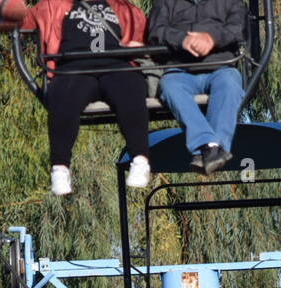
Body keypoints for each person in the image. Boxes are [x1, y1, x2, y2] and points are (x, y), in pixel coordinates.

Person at [24, 0, 152, 196]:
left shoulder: (122, 7)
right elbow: (20, 20)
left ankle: (140, 159)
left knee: (130, 89)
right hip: (74, 66)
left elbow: (149, 30)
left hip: (115, 64)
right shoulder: (53, 5)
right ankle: (60, 167)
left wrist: (139, 45)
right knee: (64, 95)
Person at [147, 0, 245, 173]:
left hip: (220, 66)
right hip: (181, 68)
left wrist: (211, 38)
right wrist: (182, 40)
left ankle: (206, 149)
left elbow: (238, 28)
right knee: (169, 86)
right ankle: (213, 148)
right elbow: (156, 32)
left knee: (230, 84)